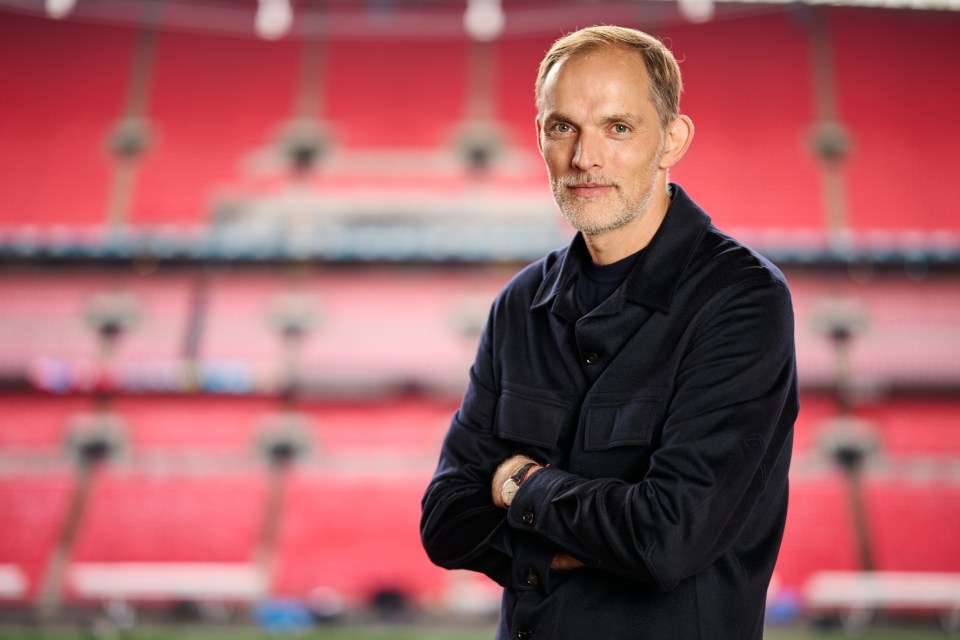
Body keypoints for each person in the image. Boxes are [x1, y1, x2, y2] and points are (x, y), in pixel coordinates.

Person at [421, 25, 798, 640]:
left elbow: (667, 540)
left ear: (671, 140)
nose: (584, 157)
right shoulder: (519, 306)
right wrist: (578, 536)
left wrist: (520, 484)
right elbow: (445, 523)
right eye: (561, 126)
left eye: (618, 128)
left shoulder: (741, 299)